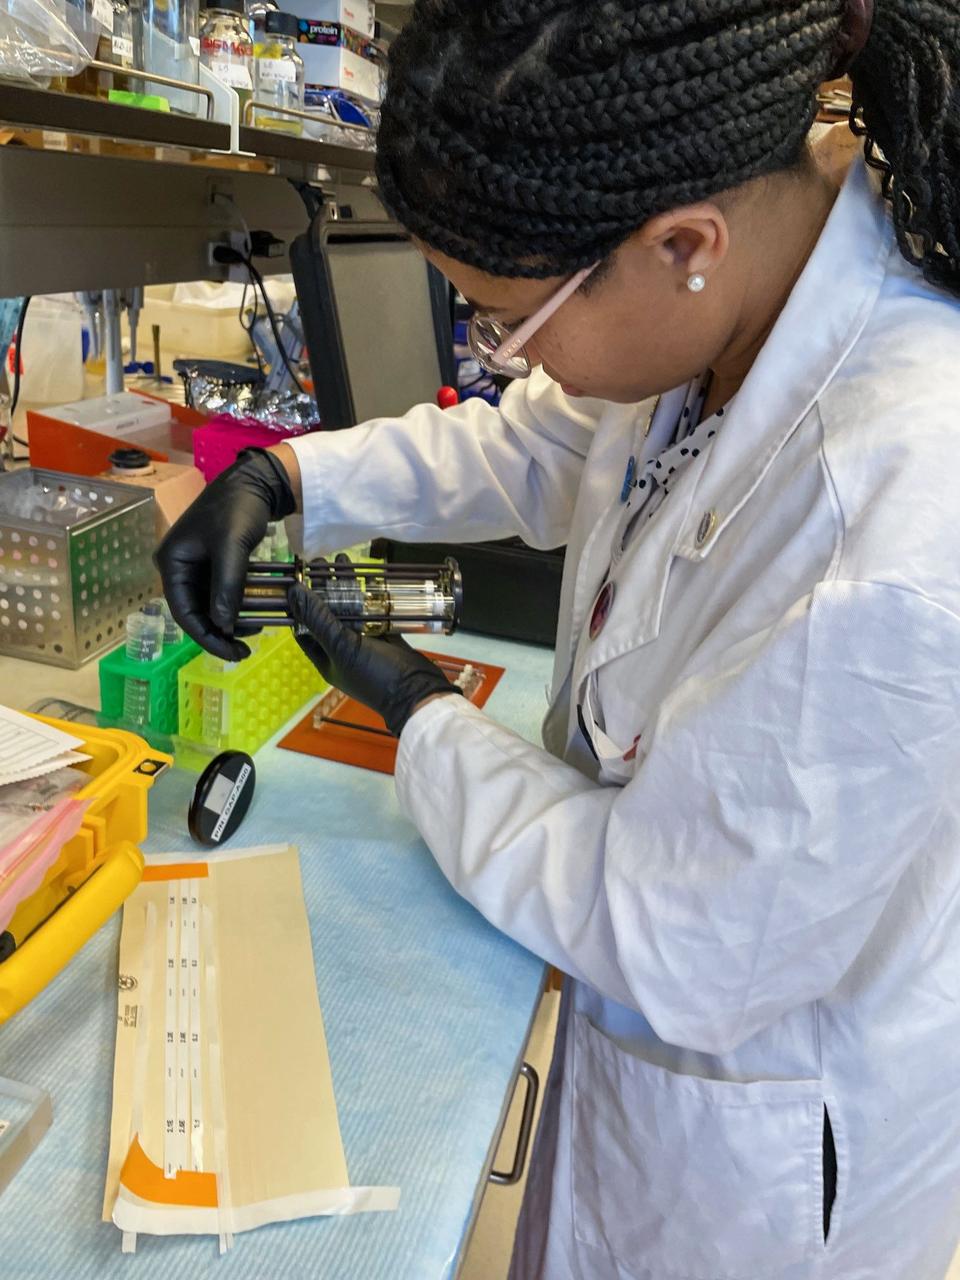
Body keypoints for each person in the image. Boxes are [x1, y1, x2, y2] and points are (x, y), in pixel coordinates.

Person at [156, 2, 960, 1276]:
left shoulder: (895, 523)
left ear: (680, 243)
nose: (492, 355)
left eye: (501, 320)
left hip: (753, 1158)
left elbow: (668, 931)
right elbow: (544, 439)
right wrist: (288, 476)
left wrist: (417, 710)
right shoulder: (751, 276)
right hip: (648, 1063)